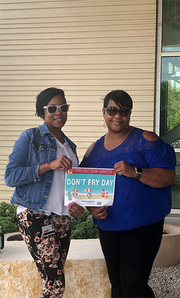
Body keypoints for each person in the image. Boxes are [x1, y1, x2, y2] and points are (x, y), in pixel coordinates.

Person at [78, 90, 176, 298]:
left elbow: (167, 178)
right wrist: (92, 209)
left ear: (130, 113)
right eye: (112, 110)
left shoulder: (146, 139)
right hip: (109, 226)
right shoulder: (93, 149)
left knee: (134, 285)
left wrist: (136, 172)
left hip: (142, 225)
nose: (117, 115)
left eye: (124, 110)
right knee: (117, 285)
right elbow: (85, 189)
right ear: (103, 112)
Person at [4, 87, 84, 298]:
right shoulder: (30, 137)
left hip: (62, 218)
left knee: (52, 281)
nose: (59, 112)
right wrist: (48, 165)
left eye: (63, 107)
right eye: (52, 108)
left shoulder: (70, 146)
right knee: (55, 284)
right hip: (35, 214)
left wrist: (75, 205)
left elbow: (69, 185)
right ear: (43, 111)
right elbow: (11, 176)